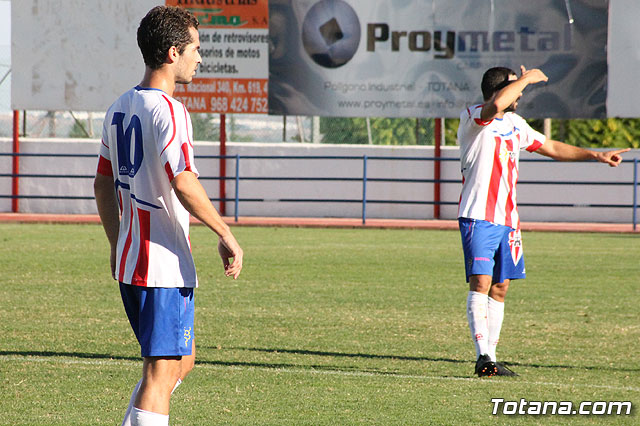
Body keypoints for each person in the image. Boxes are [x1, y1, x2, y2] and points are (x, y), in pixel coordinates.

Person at [94, 6, 244, 425]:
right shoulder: (170, 111)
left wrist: (115, 242)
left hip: (135, 261)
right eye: (196, 48)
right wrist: (225, 232)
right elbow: (183, 180)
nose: (200, 58)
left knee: (182, 361)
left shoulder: (120, 106)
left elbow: (102, 184)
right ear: (173, 52)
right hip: (159, 265)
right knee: (160, 373)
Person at [457, 65, 628, 377]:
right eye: (516, 87)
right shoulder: (475, 118)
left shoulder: (516, 125)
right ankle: (482, 355)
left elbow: (550, 146)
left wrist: (595, 155)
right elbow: (495, 105)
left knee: (500, 287)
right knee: (480, 282)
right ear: (500, 88)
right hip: (479, 215)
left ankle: (492, 359)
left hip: (508, 220)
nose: (522, 93)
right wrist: (526, 79)